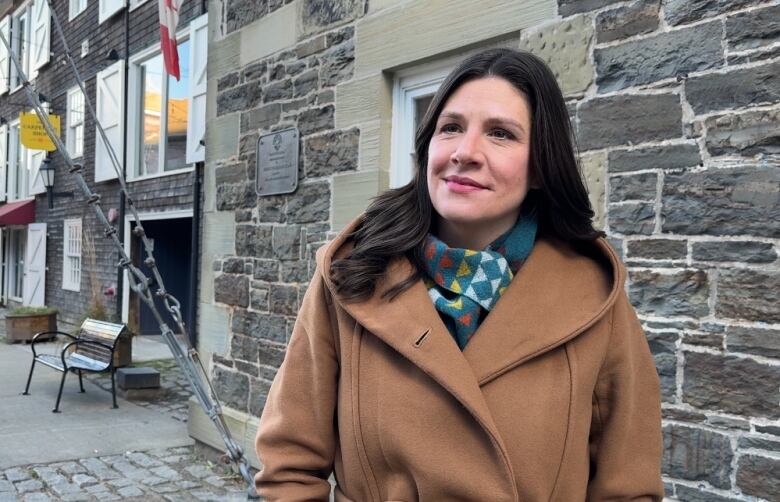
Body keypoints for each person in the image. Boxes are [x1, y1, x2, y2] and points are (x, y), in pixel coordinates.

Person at [254, 48, 664, 501]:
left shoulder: (593, 297)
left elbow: (628, 488)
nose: (465, 152)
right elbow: (288, 467)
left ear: (541, 169)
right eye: (451, 128)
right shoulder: (352, 274)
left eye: (501, 134)